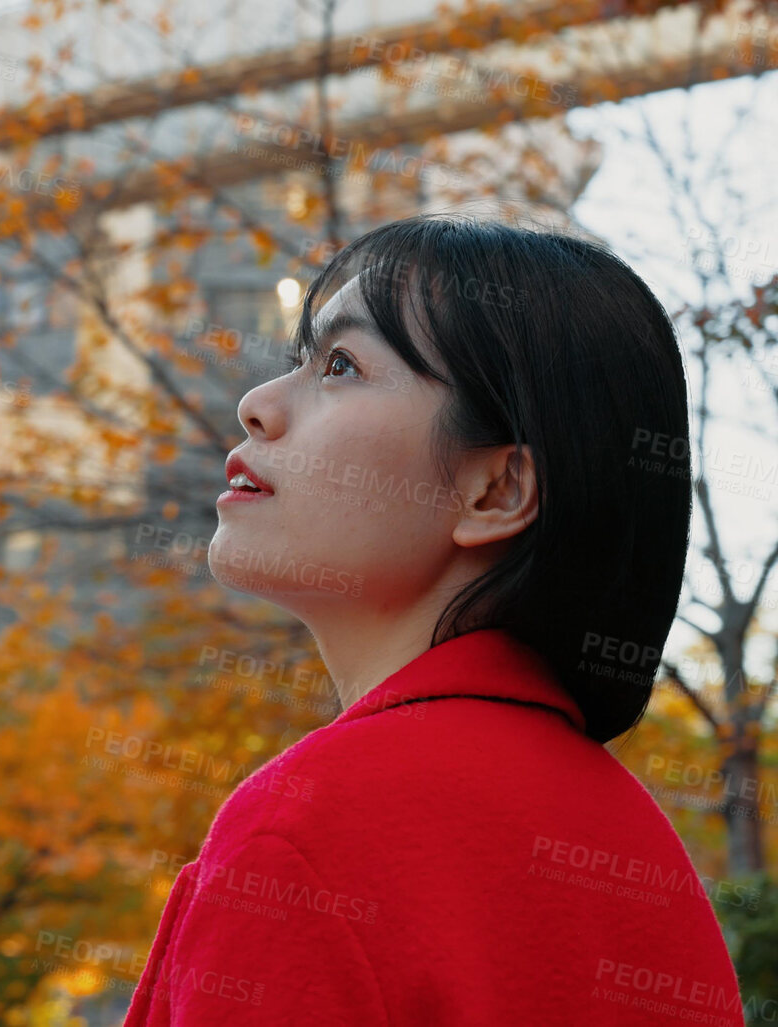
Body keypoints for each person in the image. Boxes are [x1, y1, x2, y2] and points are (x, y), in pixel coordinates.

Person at [122, 213, 743, 1026]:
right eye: (297, 361)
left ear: (495, 492)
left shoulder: (307, 829)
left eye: (340, 364)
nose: (257, 405)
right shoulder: (637, 851)